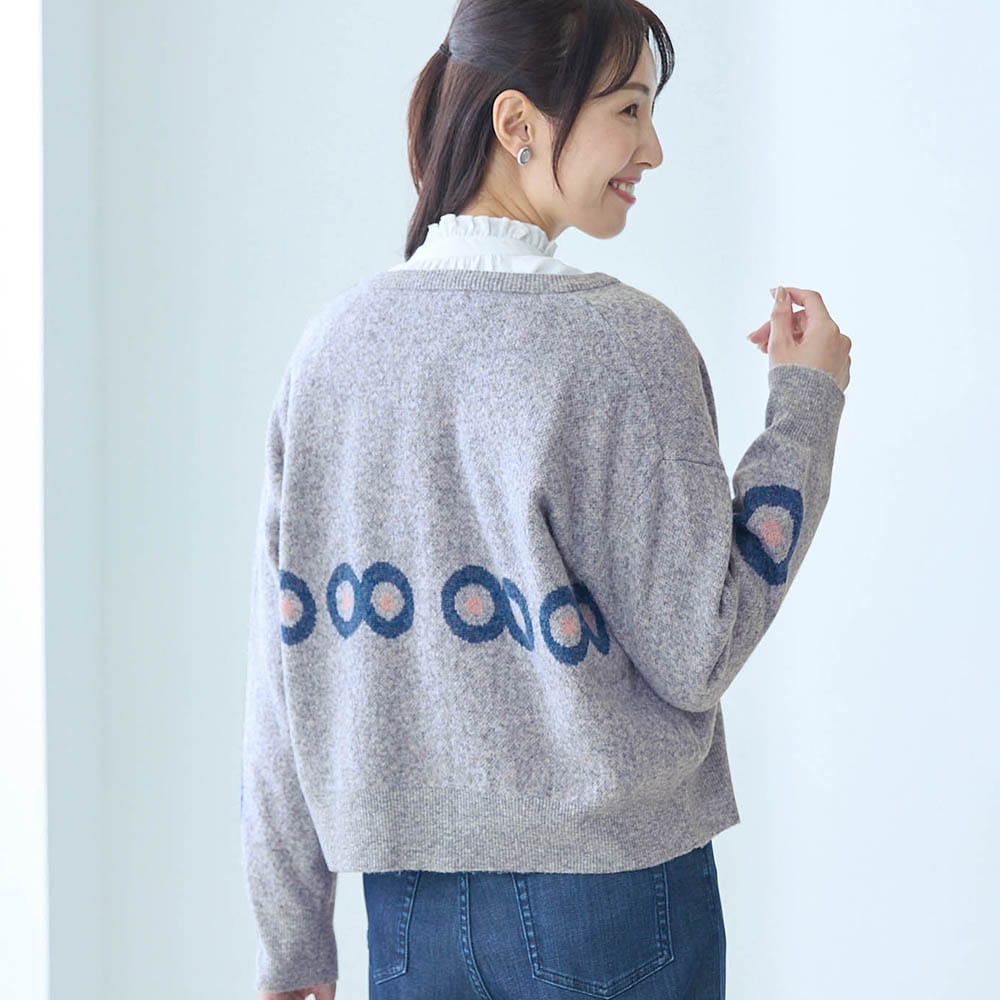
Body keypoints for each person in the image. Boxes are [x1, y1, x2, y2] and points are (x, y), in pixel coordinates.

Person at [240, 2, 852, 998]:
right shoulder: (619, 343)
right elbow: (700, 646)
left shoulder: (331, 352)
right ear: (518, 122)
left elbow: (285, 675)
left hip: (406, 914)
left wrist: (292, 940)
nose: (653, 147)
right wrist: (804, 409)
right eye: (628, 109)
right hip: (613, 905)